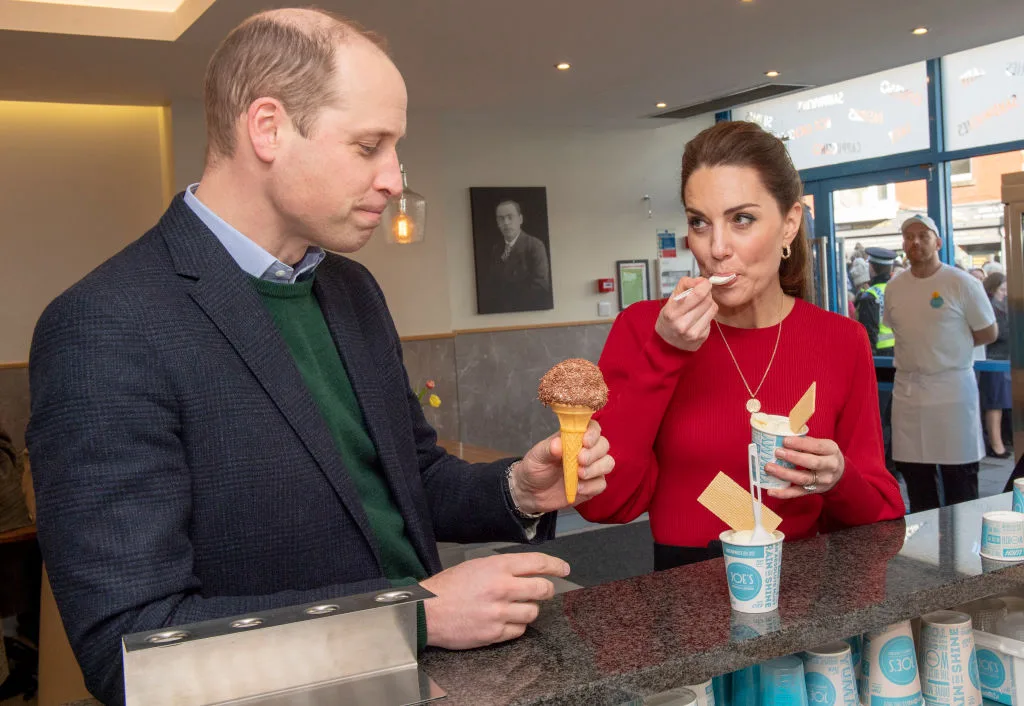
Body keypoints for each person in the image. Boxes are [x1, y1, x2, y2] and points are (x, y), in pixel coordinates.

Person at [26, 10, 614, 705]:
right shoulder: (103, 326)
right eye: (370, 145)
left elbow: (408, 478)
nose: (395, 178)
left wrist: (514, 489)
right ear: (267, 128)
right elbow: (133, 649)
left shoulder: (351, 290)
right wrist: (413, 614)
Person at [575, 120, 904, 570]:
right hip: (682, 598)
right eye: (699, 223)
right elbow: (602, 504)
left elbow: (882, 516)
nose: (717, 247)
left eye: (741, 219)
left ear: (789, 224)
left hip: (807, 592)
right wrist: (666, 354)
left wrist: (838, 478)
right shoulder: (643, 328)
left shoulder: (841, 339)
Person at [884, 214, 998, 512]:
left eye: (923, 235)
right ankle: (924, 553)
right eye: (909, 236)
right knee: (916, 479)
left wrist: (950, 347)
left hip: (952, 392)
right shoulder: (895, 288)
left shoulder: (960, 283)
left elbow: (989, 331)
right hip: (909, 393)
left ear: (938, 241)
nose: (916, 241)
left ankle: (963, 554)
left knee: (959, 481)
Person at [481, 200, 552, 313]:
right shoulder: (497, 249)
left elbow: (541, 285)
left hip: (526, 311)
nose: (506, 222)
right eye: (501, 218)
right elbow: (492, 284)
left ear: (520, 219)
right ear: (497, 222)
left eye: (510, 217)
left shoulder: (534, 246)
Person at [980, 272, 1012, 458]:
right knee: (995, 403)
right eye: (1002, 289)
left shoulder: (1003, 307)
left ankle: (1000, 441)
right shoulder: (991, 307)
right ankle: (996, 444)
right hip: (993, 359)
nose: (1005, 294)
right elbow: (995, 334)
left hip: (1003, 358)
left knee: (1000, 402)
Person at [854, 247, 897, 353]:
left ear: (872, 268)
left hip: (879, 355)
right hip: (899, 351)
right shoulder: (898, 290)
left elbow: (868, 334)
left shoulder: (869, 296)